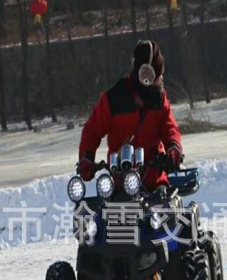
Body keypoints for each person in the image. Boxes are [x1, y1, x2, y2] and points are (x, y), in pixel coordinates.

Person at [78, 39, 182, 191]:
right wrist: (86, 158)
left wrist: (174, 148)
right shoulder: (113, 99)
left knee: (164, 210)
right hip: (120, 182)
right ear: (142, 76)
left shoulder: (160, 100)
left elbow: (169, 128)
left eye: (159, 79)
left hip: (154, 181)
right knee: (102, 212)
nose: (157, 84)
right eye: (153, 79)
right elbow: (92, 131)